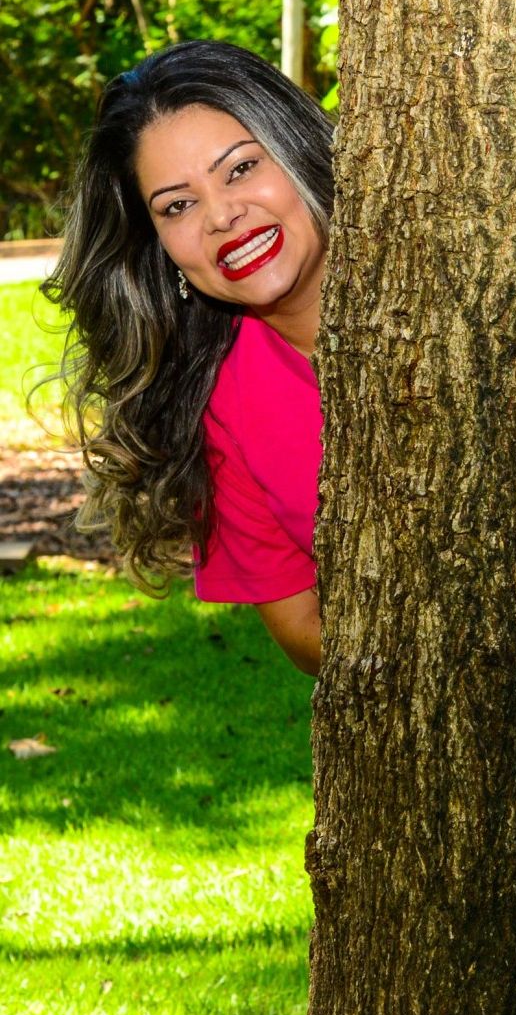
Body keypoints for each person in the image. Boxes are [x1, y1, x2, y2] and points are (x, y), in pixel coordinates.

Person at [46, 41, 330, 675]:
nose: (223, 216)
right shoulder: (219, 405)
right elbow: (306, 633)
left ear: (300, 149)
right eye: (178, 205)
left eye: (240, 168)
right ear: (161, 249)